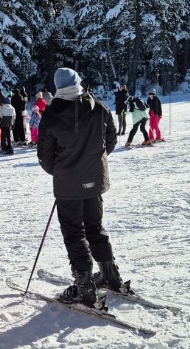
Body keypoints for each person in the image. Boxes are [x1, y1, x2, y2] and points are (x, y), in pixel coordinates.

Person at [36, 67, 125, 307]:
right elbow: (111, 138)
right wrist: (94, 160)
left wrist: (64, 170)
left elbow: (44, 155)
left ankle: (86, 287)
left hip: (70, 184)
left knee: (74, 232)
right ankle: (110, 274)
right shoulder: (97, 106)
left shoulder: (53, 113)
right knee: (94, 227)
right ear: (78, 83)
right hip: (94, 179)